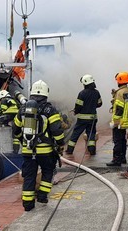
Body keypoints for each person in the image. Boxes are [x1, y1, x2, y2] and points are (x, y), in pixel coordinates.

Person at [13, 80, 65, 211]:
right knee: (48, 171)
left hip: (28, 150)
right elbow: (56, 130)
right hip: (45, 151)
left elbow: (15, 129)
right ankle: (42, 196)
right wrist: (60, 144)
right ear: (46, 93)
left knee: (29, 175)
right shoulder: (50, 109)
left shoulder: (23, 109)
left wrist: (22, 141)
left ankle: (28, 204)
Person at [64, 74, 102, 156]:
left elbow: (78, 106)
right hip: (93, 119)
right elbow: (99, 104)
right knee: (91, 134)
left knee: (75, 134)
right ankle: (92, 151)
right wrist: (92, 105)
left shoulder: (82, 93)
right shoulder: (96, 92)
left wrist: (75, 111)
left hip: (82, 119)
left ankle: (69, 150)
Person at [106, 72, 128, 166]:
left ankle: (116, 160)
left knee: (117, 140)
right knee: (123, 140)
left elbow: (119, 108)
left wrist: (115, 122)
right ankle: (122, 158)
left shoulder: (120, 93)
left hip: (119, 121)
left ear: (119, 81)